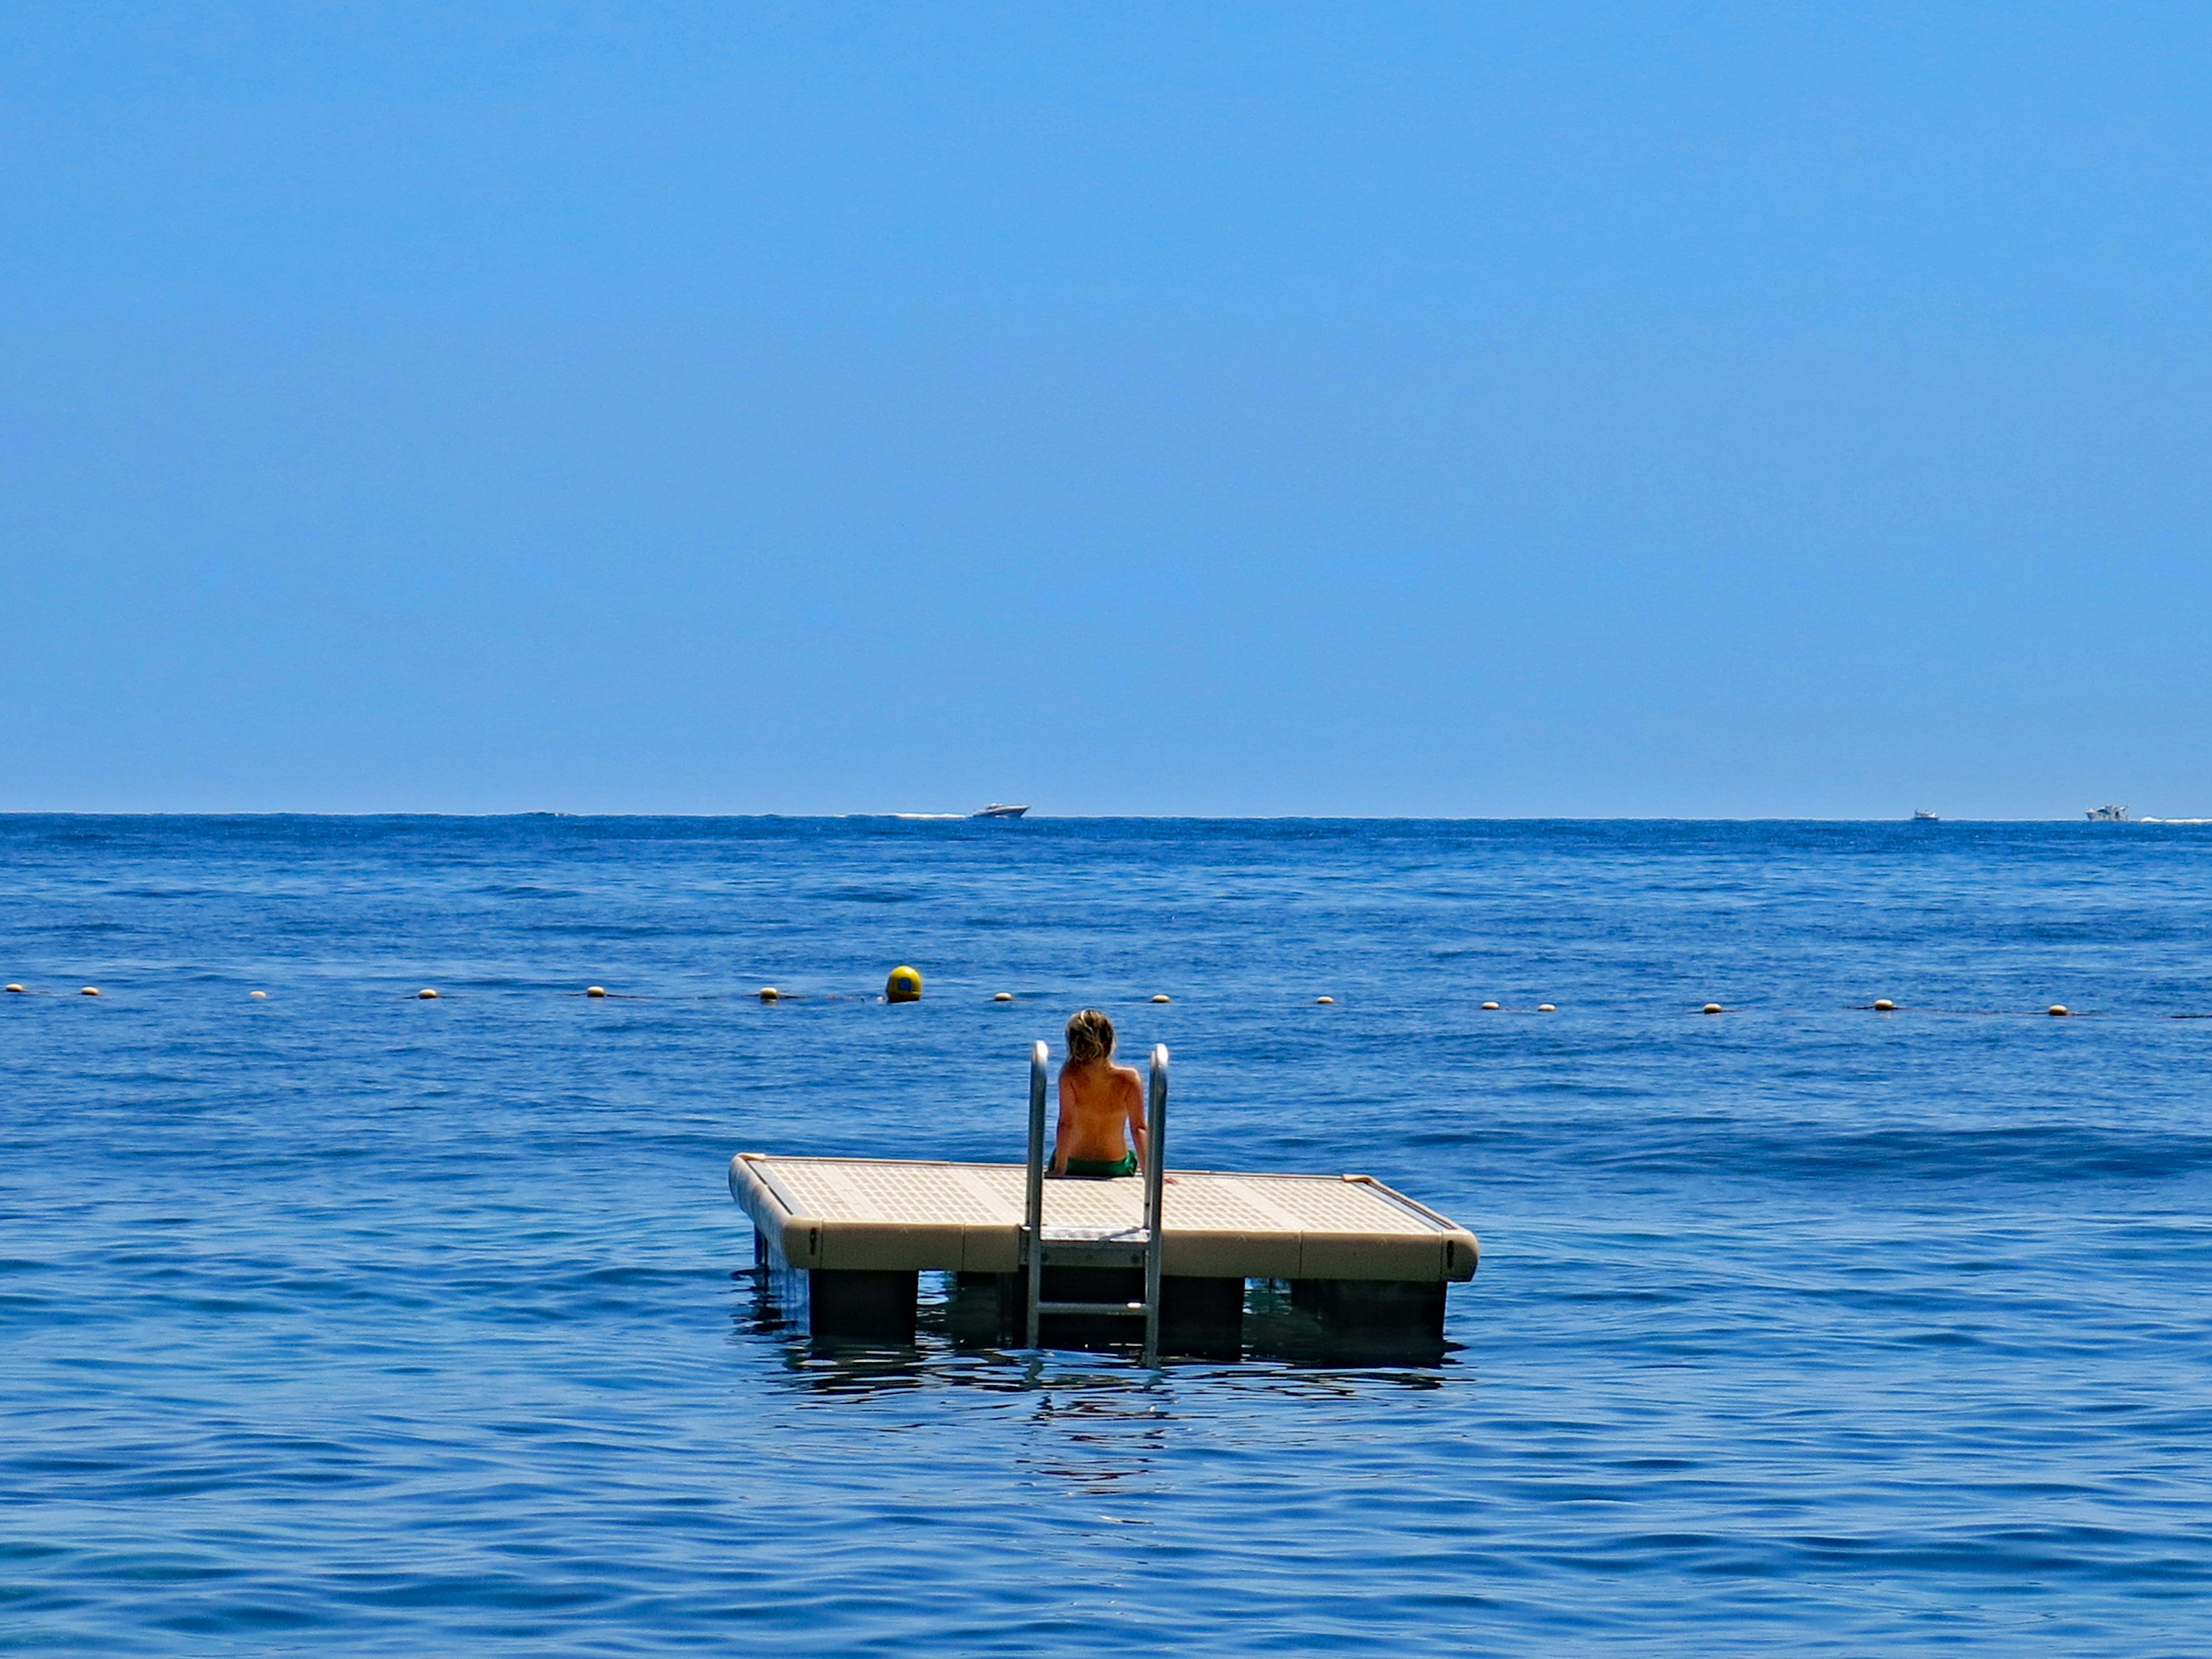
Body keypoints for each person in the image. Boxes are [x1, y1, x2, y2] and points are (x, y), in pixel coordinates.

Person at [1051, 1008, 1147, 1178]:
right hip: (1115, 1165)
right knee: (1130, 1155)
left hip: (1074, 1162)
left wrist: (1060, 1170)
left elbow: (1066, 1124)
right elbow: (1139, 1128)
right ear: (1111, 1041)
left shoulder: (1070, 1075)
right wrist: (1152, 1174)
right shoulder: (1130, 1078)